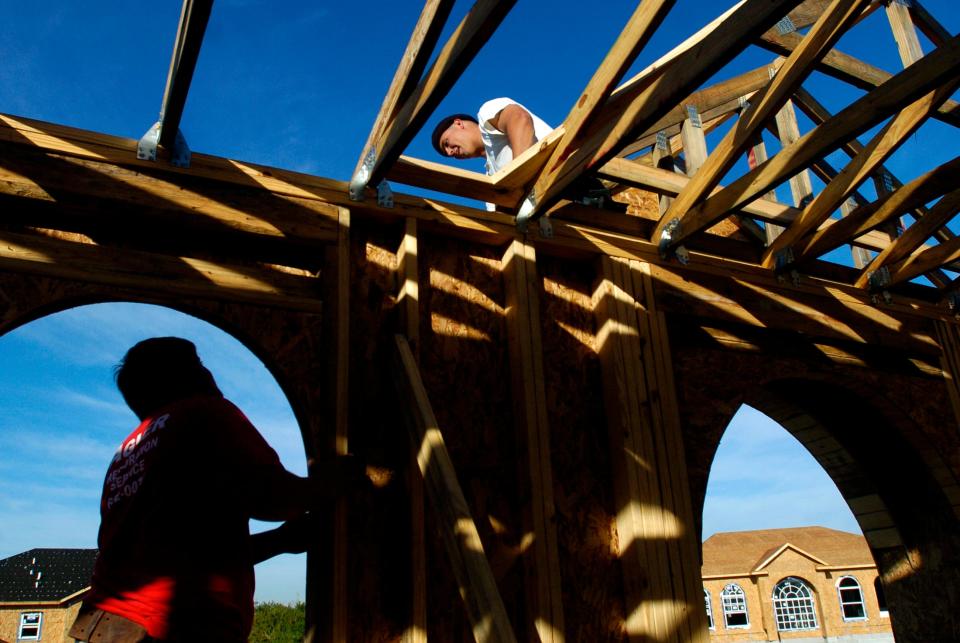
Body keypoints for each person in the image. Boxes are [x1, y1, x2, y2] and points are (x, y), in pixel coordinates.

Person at [69, 337, 361, 642]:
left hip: (107, 626)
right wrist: (341, 476)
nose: (209, 374)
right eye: (199, 366)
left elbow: (188, 554)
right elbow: (275, 498)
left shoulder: (127, 453)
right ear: (182, 377)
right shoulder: (204, 414)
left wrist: (281, 540)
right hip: (169, 627)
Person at [432, 97, 616, 215]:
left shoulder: (486, 114)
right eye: (446, 152)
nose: (450, 152)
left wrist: (519, 185)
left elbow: (519, 118)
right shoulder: (491, 176)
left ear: (458, 123)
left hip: (574, 188)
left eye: (446, 143)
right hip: (553, 214)